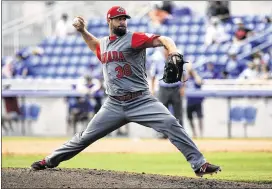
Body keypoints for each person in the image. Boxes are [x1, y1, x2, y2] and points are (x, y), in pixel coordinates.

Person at [31, 6, 221, 177]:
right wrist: (82, 31)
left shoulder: (134, 38)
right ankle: (49, 160)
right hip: (113, 104)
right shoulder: (104, 44)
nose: (123, 21)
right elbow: (95, 46)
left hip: (142, 101)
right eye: (119, 18)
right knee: (85, 137)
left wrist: (173, 51)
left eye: (124, 18)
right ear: (109, 21)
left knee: (171, 123)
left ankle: (199, 164)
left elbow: (164, 39)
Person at [150, 47, 183, 139]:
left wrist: (183, 87)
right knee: (162, 112)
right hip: (163, 88)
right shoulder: (157, 58)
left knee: (178, 112)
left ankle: (180, 134)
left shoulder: (176, 57)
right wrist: (152, 88)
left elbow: (182, 73)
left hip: (175, 87)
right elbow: (153, 74)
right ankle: (163, 134)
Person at [182, 64, 204, 138]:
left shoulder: (196, 77)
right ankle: (194, 132)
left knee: (200, 117)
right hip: (189, 101)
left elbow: (200, 82)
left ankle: (201, 134)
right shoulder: (186, 78)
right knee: (189, 117)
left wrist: (194, 73)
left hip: (197, 100)